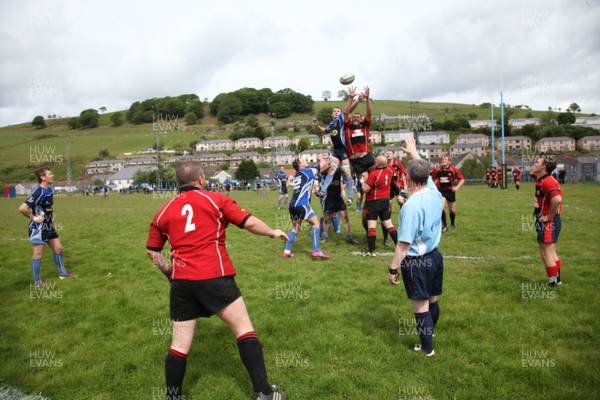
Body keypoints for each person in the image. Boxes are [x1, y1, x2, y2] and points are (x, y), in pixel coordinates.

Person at [145, 161, 288, 400]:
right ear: (201, 179)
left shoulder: (163, 211)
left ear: (178, 183)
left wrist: (170, 273)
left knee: (179, 345)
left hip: (182, 282)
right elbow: (249, 222)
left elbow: (152, 252)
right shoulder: (215, 199)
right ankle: (264, 393)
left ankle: (172, 397)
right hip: (215, 276)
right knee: (244, 330)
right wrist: (272, 231)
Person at [389, 138, 443, 358]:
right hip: (434, 256)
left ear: (407, 178)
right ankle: (430, 335)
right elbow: (424, 171)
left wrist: (392, 269)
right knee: (432, 300)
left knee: (420, 307)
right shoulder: (434, 192)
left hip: (417, 262)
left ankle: (428, 349)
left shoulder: (411, 206)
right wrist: (414, 152)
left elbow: (403, 244)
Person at [18, 167, 77, 287]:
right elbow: (22, 208)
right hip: (38, 228)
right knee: (38, 254)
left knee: (59, 249)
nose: (53, 175)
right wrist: (34, 218)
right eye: (50, 174)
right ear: (42, 177)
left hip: (49, 226)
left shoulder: (49, 190)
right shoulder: (38, 191)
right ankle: (37, 281)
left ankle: (63, 274)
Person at [282, 156, 330, 259]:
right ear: (300, 165)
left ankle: (286, 251)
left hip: (293, 205)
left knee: (296, 228)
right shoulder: (308, 171)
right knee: (316, 224)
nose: (306, 161)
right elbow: (322, 164)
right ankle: (316, 251)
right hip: (302, 204)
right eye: (303, 160)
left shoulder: (298, 175)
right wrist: (321, 157)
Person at [531, 157, 563, 286]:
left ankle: (552, 284)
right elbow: (532, 173)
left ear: (544, 166)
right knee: (550, 251)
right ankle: (557, 280)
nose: (534, 164)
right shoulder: (543, 178)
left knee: (546, 252)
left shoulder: (548, 181)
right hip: (546, 220)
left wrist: (549, 217)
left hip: (548, 222)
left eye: (537, 162)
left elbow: (557, 200)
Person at [312, 103, 353, 204]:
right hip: (336, 151)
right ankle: (322, 191)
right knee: (331, 170)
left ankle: (351, 196)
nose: (336, 112)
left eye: (338, 111)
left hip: (344, 150)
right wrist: (317, 125)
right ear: (332, 114)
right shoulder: (331, 124)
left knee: (347, 173)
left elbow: (348, 110)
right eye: (334, 111)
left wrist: (352, 99)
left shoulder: (341, 120)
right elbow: (324, 131)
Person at [361, 155, 398, 256]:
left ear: (377, 164)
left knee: (371, 226)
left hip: (373, 202)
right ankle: (399, 246)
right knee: (389, 224)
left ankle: (371, 250)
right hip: (385, 201)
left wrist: (362, 180)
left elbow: (365, 189)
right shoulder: (390, 170)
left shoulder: (374, 174)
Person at [344, 86, 376, 184]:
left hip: (367, 157)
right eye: (354, 117)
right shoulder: (347, 127)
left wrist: (367, 98)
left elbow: (369, 113)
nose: (356, 118)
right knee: (365, 183)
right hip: (356, 161)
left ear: (362, 119)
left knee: (377, 177)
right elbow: (346, 113)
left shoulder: (365, 126)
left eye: (358, 117)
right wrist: (351, 98)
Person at [320, 168, 359, 245]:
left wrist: (349, 195)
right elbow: (322, 171)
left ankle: (349, 237)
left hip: (339, 200)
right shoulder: (325, 174)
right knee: (327, 219)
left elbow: (346, 174)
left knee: (345, 219)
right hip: (328, 201)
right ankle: (325, 237)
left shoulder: (338, 172)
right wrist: (329, 168)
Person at [431, 156, 465, 232]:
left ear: (449, 162)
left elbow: (462, 179)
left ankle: (452, 223)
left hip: (450, 191)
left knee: (452, 210)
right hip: (440, 191)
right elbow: (432, 178)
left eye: (445, 159)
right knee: (441, 208)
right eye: (442, 159)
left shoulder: (453, 170)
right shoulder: (437, 170)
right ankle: (445, 226)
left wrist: (457, 187)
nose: (443, 160)